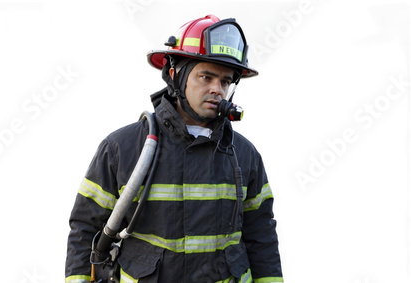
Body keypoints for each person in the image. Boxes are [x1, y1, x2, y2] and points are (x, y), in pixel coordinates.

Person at [66, 15, 283, 283]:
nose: (217, 90)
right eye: (206, 77)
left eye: (225, 81)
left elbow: (261, 234)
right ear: (174, 74)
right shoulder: (122, 148)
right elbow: (85, 228)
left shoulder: (245, 154)